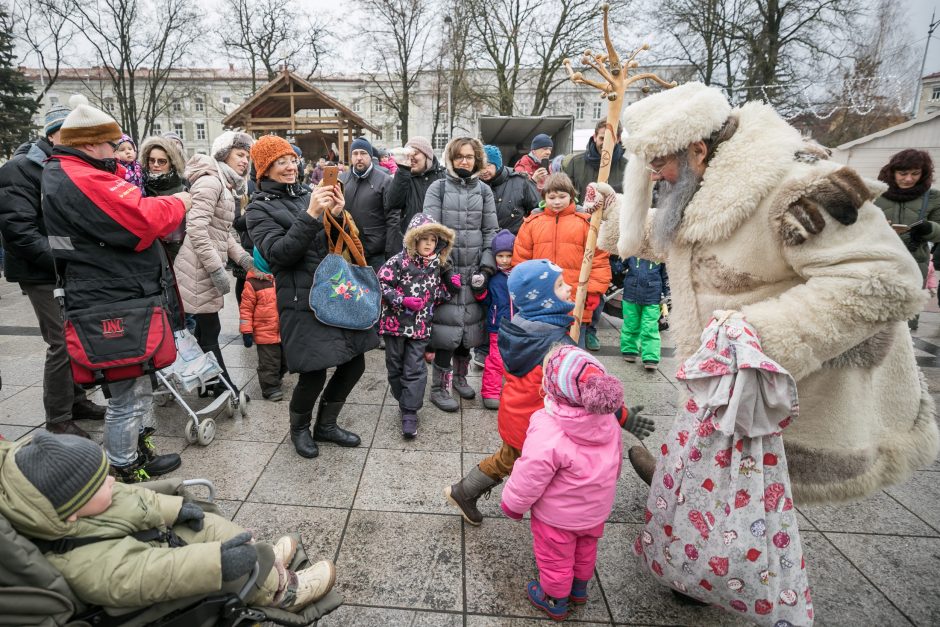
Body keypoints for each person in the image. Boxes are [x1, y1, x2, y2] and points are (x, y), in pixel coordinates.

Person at [593, 81, 938, 503]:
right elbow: (690, 237)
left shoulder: (797, 185)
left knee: (762, 498)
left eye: (659, 161)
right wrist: (612, 216)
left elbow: (882, 280)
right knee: (720, 458)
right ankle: (684, 485)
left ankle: (715, 520)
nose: (653, 174)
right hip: (726, 374)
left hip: (789, 379)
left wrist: (751, 338)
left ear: (698, 150)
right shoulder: (710, 181)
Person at [0, 431, 336, 613]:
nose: (113, 483)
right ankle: (279, 590)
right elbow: (144, 575)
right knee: (232, 563)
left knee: (212, 524)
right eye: (103, 482)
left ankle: (268, 562)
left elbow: (134, 500)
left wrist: (174, 510)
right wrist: (214, 563)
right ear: (73, 510)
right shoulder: (79, 559)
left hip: (155, 539)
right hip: (158, 568)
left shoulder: (86, 504)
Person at [41, 97, 188, 482]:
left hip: (114, 293)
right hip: (110, 299)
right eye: (111, 144)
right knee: (125, 396)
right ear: (90, 144)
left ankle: (139, 451)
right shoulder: (83, 176)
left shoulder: (69, 171)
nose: (118, 153)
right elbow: (141, 221)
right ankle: (125, 467)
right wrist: (178, 201)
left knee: (136, 386)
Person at [445, 260, 652, 525]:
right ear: (542, 300)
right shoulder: (556, 346)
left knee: (507, 459)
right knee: (523, 465)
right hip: (534, 423)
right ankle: (478, 496)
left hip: (516, 414)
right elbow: (589, 387)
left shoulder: (520, 325)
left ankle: (465, 491)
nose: (568, 288)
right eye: (560, 286)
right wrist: (624, 417)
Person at [247, 135, 377, 459]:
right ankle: (300, 428)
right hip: (299, 299)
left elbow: (332, 243)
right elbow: (280, 255)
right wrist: (310, 215)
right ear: (264, 169)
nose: (290, 166)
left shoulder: (308, 192)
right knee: (314, 371)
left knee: (354, 362)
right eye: (280, 162)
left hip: (333, 289)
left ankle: (327, 425)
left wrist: (336, 213)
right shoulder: (257, 210)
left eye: (291, 159)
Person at [0, 97, 108, 439]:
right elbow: (19, 231)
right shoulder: (21, 169)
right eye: (67, 133)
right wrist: (67, 256)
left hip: (67, 268)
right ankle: (58, 418)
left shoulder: (63, 165)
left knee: (75, 337)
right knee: (61, 341)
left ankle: (76, 401)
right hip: (42, 272)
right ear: (52, 135)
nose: (75, 140)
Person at [501, 345, 624, 620]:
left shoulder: (548, 426)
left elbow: (531, 472)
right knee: (585, 549)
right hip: (595, 511)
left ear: (553, 387)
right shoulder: (608, 421)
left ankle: (555, 598)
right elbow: (615, 461)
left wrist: (513, 503)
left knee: (555, 557)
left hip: (557, 517)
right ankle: (579, 590)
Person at [174, 131, 255, 398]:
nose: (245, 161)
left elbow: (223, 232)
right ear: (224, 155)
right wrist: (217, 270)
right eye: (239, 155)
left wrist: (244, 259)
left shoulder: (225, 183)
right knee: (208, 332)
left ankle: (210, 384)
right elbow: (196, 230)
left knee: (208, 330)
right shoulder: (211, 182)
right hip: (196, 269)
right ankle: (224, 387)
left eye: (247, 156)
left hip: (204, 267)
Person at [423, 137, 499, 411]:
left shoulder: (484, 191)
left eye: (469, 156)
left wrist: (487, 267)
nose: (464, 161)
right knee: (446, 331)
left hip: (475, 271)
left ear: (477, 159)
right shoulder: (438, 187)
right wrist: (444, 267)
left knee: (470, 331)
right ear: (451, 159)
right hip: (447, 271)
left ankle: (460, 377)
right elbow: (430, 230)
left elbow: (491, 231)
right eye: (459, 157)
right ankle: (439, 387)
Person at [377, 214, 459, 438]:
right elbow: (380, 283)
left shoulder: (436, 266)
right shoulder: (398, 261)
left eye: (433, 240)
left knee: (415, 370)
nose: (429, 244)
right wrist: (401, 300)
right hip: (394, 325)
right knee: (395, 368)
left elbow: (435, 296)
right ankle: (403, 398)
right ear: (413, 240)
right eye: (424, 239)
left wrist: (450, 289)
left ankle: (410, 412)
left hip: (420, 329)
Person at [512, 173, 610, 351]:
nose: (557, 202)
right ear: (544, 197)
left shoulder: (586, 224)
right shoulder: (532, 223)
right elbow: (521, 262)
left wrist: (594, 292)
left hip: (575, 299)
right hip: (540, 302)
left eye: (562, 196)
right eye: (552, 197)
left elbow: (599, 260)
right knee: (540, 352)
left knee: (574, 352)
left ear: (571, 196)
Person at [874, 149, 940, 330]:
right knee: (873, 317)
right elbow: (855, 225)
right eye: (903, 174)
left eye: (915, 173)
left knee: (905, 323)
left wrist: (929, 229)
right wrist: (877, 226)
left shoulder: (933, 197)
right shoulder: (875, 193)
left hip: (915, 261)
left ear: (923, 173)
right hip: (878, 261)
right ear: (892, 172)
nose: (909, 179)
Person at [341, 137, 394, 272]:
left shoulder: (384, 181)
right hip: (347, 251)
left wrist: (389, 251)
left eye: (363, 153)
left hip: (375, 254)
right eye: (355, 153)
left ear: (370, 156)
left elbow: (392, 219)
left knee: (377, 292)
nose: (359, 157)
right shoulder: (342, 180)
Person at [240, 248, 286, 402]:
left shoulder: (283, 278)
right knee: (269, 362)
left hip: (284, 331)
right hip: (264, 333)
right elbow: (245, 309)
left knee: (284, 360)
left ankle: (277, 377)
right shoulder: (253, 283)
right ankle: (269, 387)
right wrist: (246, 330)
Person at [387, 136, 446, 252]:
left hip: (437, 243)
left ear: (427, 156)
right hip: (411, 243)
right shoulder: (404, 176)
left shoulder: (443, 176)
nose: (411, 157)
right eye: (408, 153)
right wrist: (403, 170)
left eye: (415, 153)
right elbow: (392, 203)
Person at [479, 229, 515, 410]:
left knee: (516, 361)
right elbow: (486, 300)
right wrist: (480, 291)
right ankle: (491, 392)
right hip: (497, 325)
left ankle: (512, 392)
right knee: (495, 359)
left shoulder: (519, 275)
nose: (505, 260)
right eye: (500, 255)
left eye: (509, 255)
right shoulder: (493, 277)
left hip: (518, 326)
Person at [140, 135, 188, 263]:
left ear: (172, 163)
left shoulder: (183, 189)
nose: (155, 165)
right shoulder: (140, 188)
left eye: (161, 161)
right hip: (148, 257)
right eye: (151, 160)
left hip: (177, 257)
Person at [620, 257, 669, 370]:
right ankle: (629, 349)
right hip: (631, 295)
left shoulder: (660, 254)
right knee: (631, 324)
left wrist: (668, 294)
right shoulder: (632, 249)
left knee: (650, 328)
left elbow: (666, 275)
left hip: (652, 297)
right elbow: (620, 265)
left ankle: (651, 356)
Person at [479, 144, 540, 234]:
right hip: (485, 244)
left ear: (498, 164)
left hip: (516, 242)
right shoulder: (474, 185)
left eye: (488, 165)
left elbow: (537, 210)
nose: (483, 171)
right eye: (480, 166)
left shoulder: (521, 181)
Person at [562, 120, 627, 202]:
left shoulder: (627, 168)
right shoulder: (575, 164)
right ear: (595, 137)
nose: (605, 144)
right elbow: (563, 194)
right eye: (602, 138)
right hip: (581, 213)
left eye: (610, 139)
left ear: (618, 139)